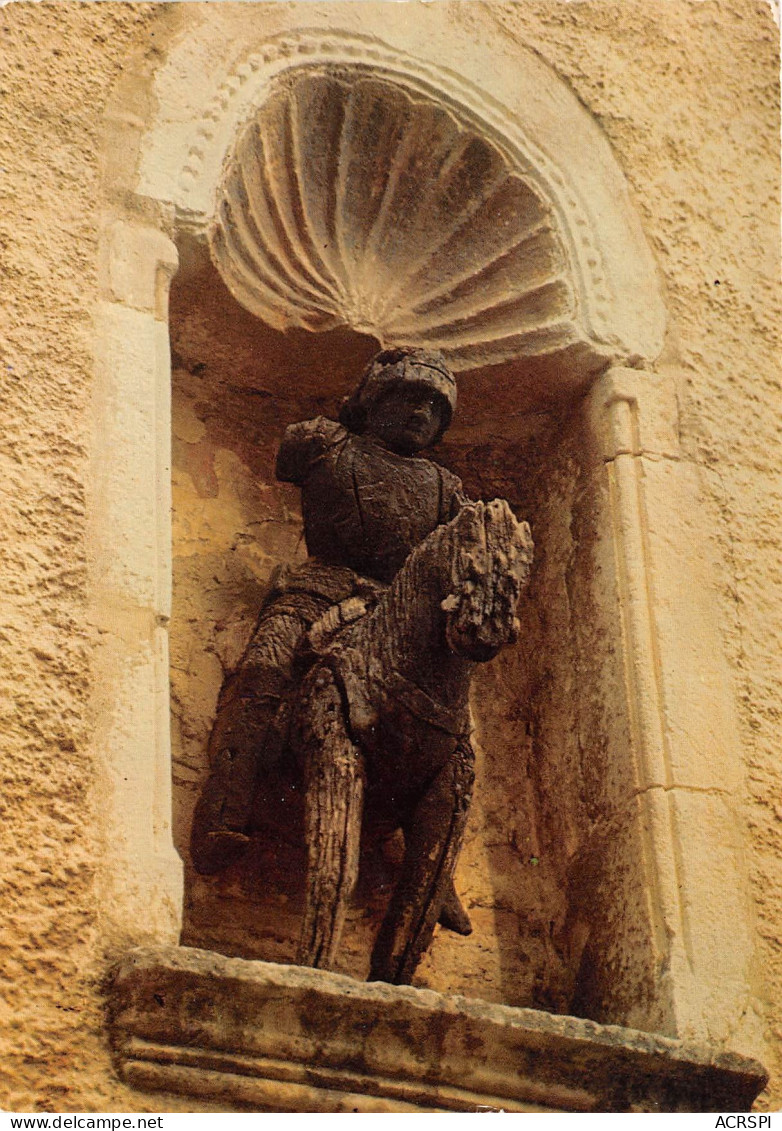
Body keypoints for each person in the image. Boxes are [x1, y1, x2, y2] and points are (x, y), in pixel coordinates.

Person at [190, 347, 469, 878]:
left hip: (398, 610)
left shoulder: (444, 488)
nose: (420, 413)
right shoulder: (324, 443)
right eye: (408, 397)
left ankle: (432, 865)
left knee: (455, 727)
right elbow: (289, 454)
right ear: (373, 401)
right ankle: (225, 808)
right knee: (264, 669)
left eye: (434, 407)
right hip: (318, 589)